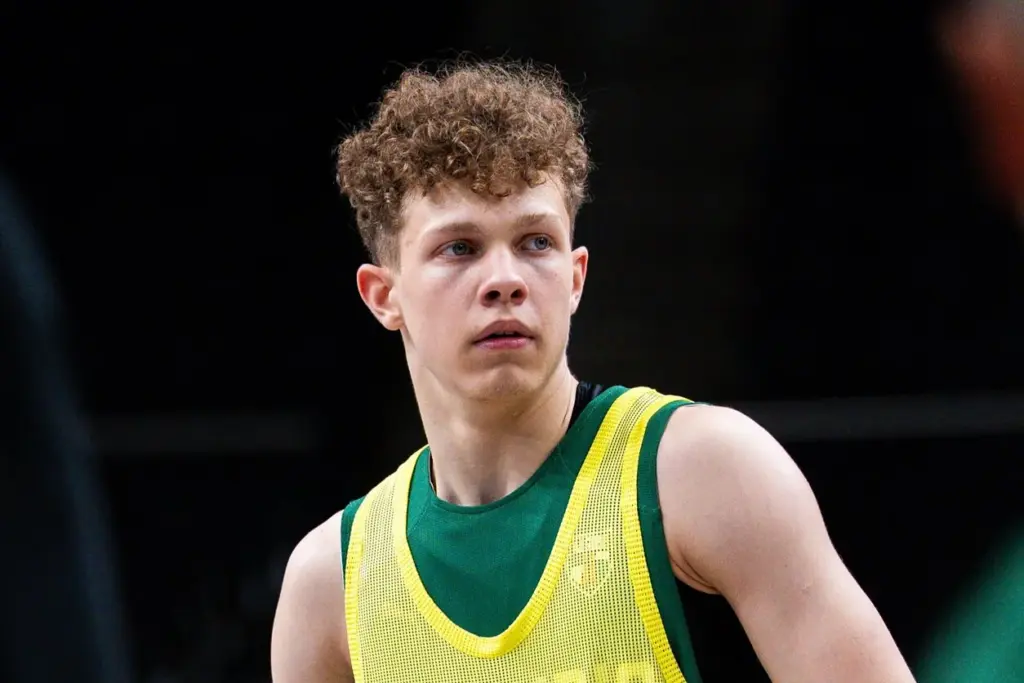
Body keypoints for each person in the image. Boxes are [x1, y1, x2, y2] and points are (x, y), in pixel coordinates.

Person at [270, 60, 916, 683]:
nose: (505, 280)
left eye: (536, 242)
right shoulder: (331, 583)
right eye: (459, 248)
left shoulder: (704, 472)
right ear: (383, 295)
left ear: (575, 277)